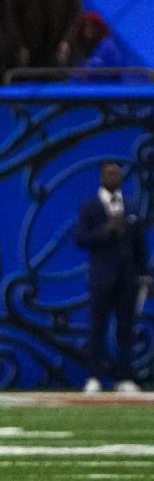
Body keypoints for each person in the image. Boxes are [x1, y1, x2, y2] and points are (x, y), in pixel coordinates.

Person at [74, 161, 148, 394]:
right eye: (108, 173)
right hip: (102, 276)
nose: (113, 177)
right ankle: (94, 375)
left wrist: (143, 273)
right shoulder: (90, 207)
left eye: (116, 173)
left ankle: (123, 376)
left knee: (126, 328)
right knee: (97, 327)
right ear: (101, 177)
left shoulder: (132, 206)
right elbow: (81, 239)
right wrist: (105, 230)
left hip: (127, 278)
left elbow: (140, 245)